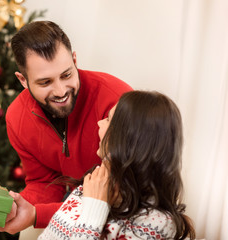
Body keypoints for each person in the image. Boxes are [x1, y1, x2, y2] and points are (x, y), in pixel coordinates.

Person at [0, 20, 132, 233]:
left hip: (120, 206)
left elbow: (121, 195)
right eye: (45, 82)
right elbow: (43, 182)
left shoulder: (116, 100)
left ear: (74, 60)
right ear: (23, 80)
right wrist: (15, 207)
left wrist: (36, 214)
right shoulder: (17, 118)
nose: (61, 91)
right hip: (74, 202)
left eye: (67, 74)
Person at [38, 90, 196, 240]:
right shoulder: (90, 186)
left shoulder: (157, 223)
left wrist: (95, 207)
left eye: (108, 119)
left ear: (128, 141)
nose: (99, 123)